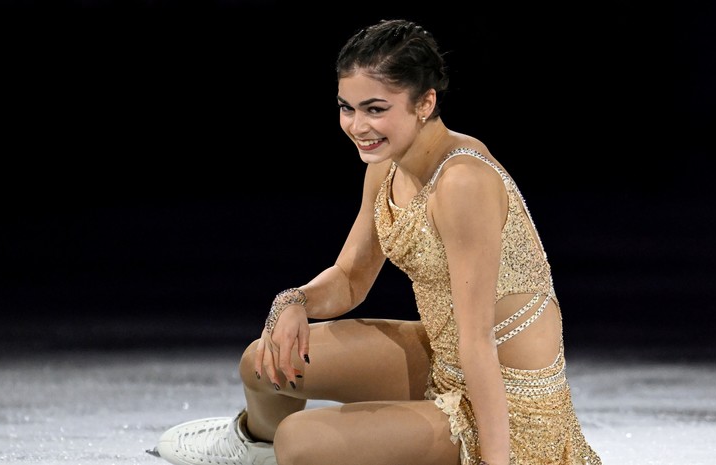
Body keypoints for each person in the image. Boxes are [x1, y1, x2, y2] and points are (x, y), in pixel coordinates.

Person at [147, 18, 602, 465]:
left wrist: (497, 462)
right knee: (263, 361)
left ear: (425, 103)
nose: (357, 126)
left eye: (376, 109)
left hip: (511, 401)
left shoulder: (462, 182)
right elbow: (350, 278)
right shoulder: (386, 164)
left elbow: (478, 338)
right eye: (347, 108)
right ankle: (255, 448)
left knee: (299, 442)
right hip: (446, 360)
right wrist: (294, 301)